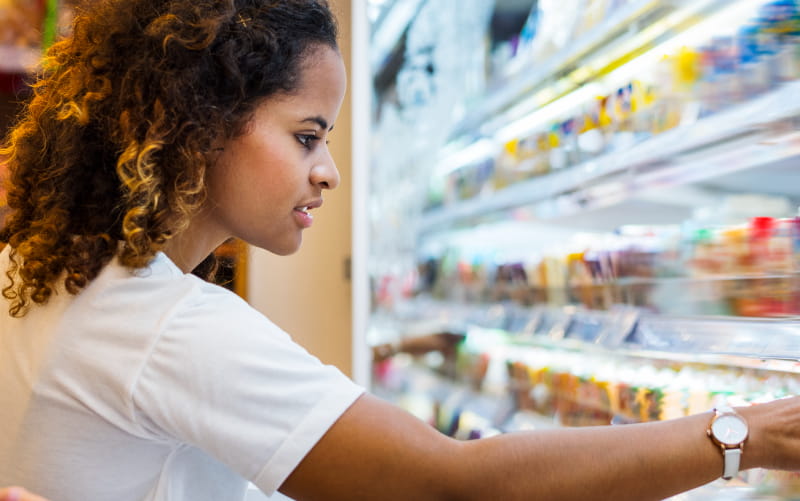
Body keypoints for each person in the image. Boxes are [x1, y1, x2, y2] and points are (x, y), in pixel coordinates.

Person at [2, 1, 800, 500]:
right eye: (307, 135)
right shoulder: (162, 323)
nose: (330, 172)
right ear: (200, 119)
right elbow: (450, 484)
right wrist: (746, 434)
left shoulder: (49, 267)